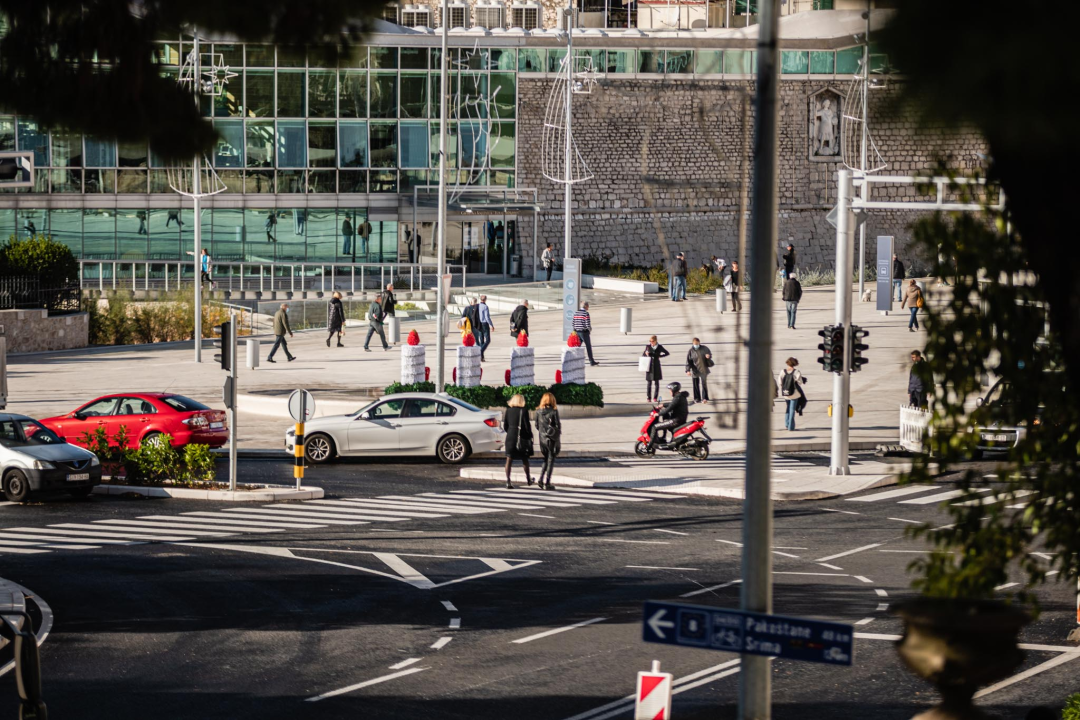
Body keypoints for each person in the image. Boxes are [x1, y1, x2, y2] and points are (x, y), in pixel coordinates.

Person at [502, 394, 534, 489]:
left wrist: (511, 431)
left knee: (509, 459)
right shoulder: (523, 411)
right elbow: (527, 426)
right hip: (521, 437)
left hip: (510, 436)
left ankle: (508, 481)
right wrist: (529, 436)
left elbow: (505, 426)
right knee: (524, 459)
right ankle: (528, 479)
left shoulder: (508, 410)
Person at [534, 392, 561, 491]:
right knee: (550, 460)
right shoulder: (554, 411)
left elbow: (536, 425)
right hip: (551, 440)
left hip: (542, 440)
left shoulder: (538, 411)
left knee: (546, 459)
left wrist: (543, 432)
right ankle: (547, 482)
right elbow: (558, 426)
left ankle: (541, 480)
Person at [777, 358, 804, 431]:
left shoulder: (783, 371)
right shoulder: (797, 372)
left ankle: (786, 424)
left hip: (786, 393)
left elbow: (780, 382)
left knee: (788, 408)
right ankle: (791, 427)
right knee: (792, 410)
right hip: (794, 393)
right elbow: (800, 382)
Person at [642, 335, 669, 403]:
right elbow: (643, 355)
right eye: (650, 341)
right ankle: (649, 397)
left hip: (656, 366)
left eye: (652, 341)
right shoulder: (648, 347)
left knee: (657, 383)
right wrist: (646, 354)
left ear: (656, 341)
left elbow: (667, 353)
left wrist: (660, 356)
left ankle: (655, 397)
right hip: (650, 366)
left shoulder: (659, 347)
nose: (651, 342)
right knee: (649, 383)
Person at [685, 337, 713, 402]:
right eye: (695, 344)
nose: (696, 345)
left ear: (699, 343)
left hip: (703, 369)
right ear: (693, 343)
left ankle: (704, 397)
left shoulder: (704, 348)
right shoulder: (691, 351)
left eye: (697, 344)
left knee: (704, 384)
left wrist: (708, 356)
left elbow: (709, 354)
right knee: (695, 384)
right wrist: (688, 370)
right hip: (695, 370)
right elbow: (688, 361)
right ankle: (697, 398)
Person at [476, 295, 494, 361]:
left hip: (479, 324)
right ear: (485, 299)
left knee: (481, 340)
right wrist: (491, 325)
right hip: (484, 324)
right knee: (488, 340)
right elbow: (487, 317)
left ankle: (482, 357)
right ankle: (481, 351)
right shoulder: (485, 307)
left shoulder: (477, 306)